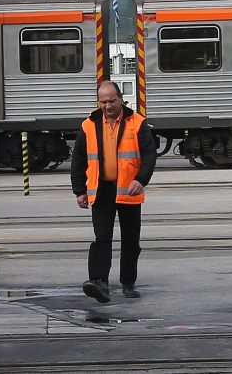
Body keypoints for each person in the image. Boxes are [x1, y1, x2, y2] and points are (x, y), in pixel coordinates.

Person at [71, 81, 157, 303]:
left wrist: (141, 180)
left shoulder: (136, 123)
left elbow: (149, 155)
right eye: (103, 101)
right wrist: (79, 190)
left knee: (130, 240)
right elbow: (78, 159)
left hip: (129, 189)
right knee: (102, 238)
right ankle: (99, 282)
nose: (107, 106)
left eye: (111, 101)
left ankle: (128, 283)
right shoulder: (89, 125)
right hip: (101, 190)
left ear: (121, 99)